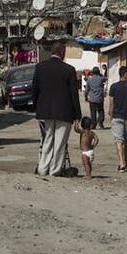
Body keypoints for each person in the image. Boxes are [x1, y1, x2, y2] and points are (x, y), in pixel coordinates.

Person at [32, 41, 82, 177]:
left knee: (47, 140)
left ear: (51, 52)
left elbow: (34, 89)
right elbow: (74, 94)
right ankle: (55, 170)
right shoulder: (69, 70)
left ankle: (43, 168)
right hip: (64, 112)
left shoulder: (40, 67)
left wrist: (36, 107)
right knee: (60, 142)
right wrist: (78, 115)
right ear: (62, 53)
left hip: (45, 111)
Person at [107, 66, 127, 173]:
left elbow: (111, 103)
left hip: (117, 117)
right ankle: (124, 162)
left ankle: (122, 163)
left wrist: (111, 115)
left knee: (118, 141)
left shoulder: (113, 87)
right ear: (126, 74)